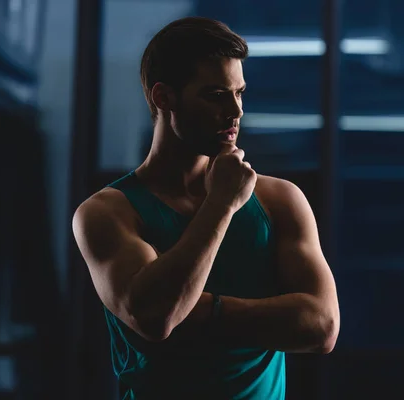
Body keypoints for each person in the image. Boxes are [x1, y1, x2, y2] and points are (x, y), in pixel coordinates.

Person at [72, 16, 340, 400]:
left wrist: (201, 311)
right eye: (215, 95)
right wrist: (221, 204)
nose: (235, 111)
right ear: (163, 98)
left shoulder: (280, 200)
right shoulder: (106, 213)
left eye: (240, 92)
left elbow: (321, 327)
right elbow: (158, 316)